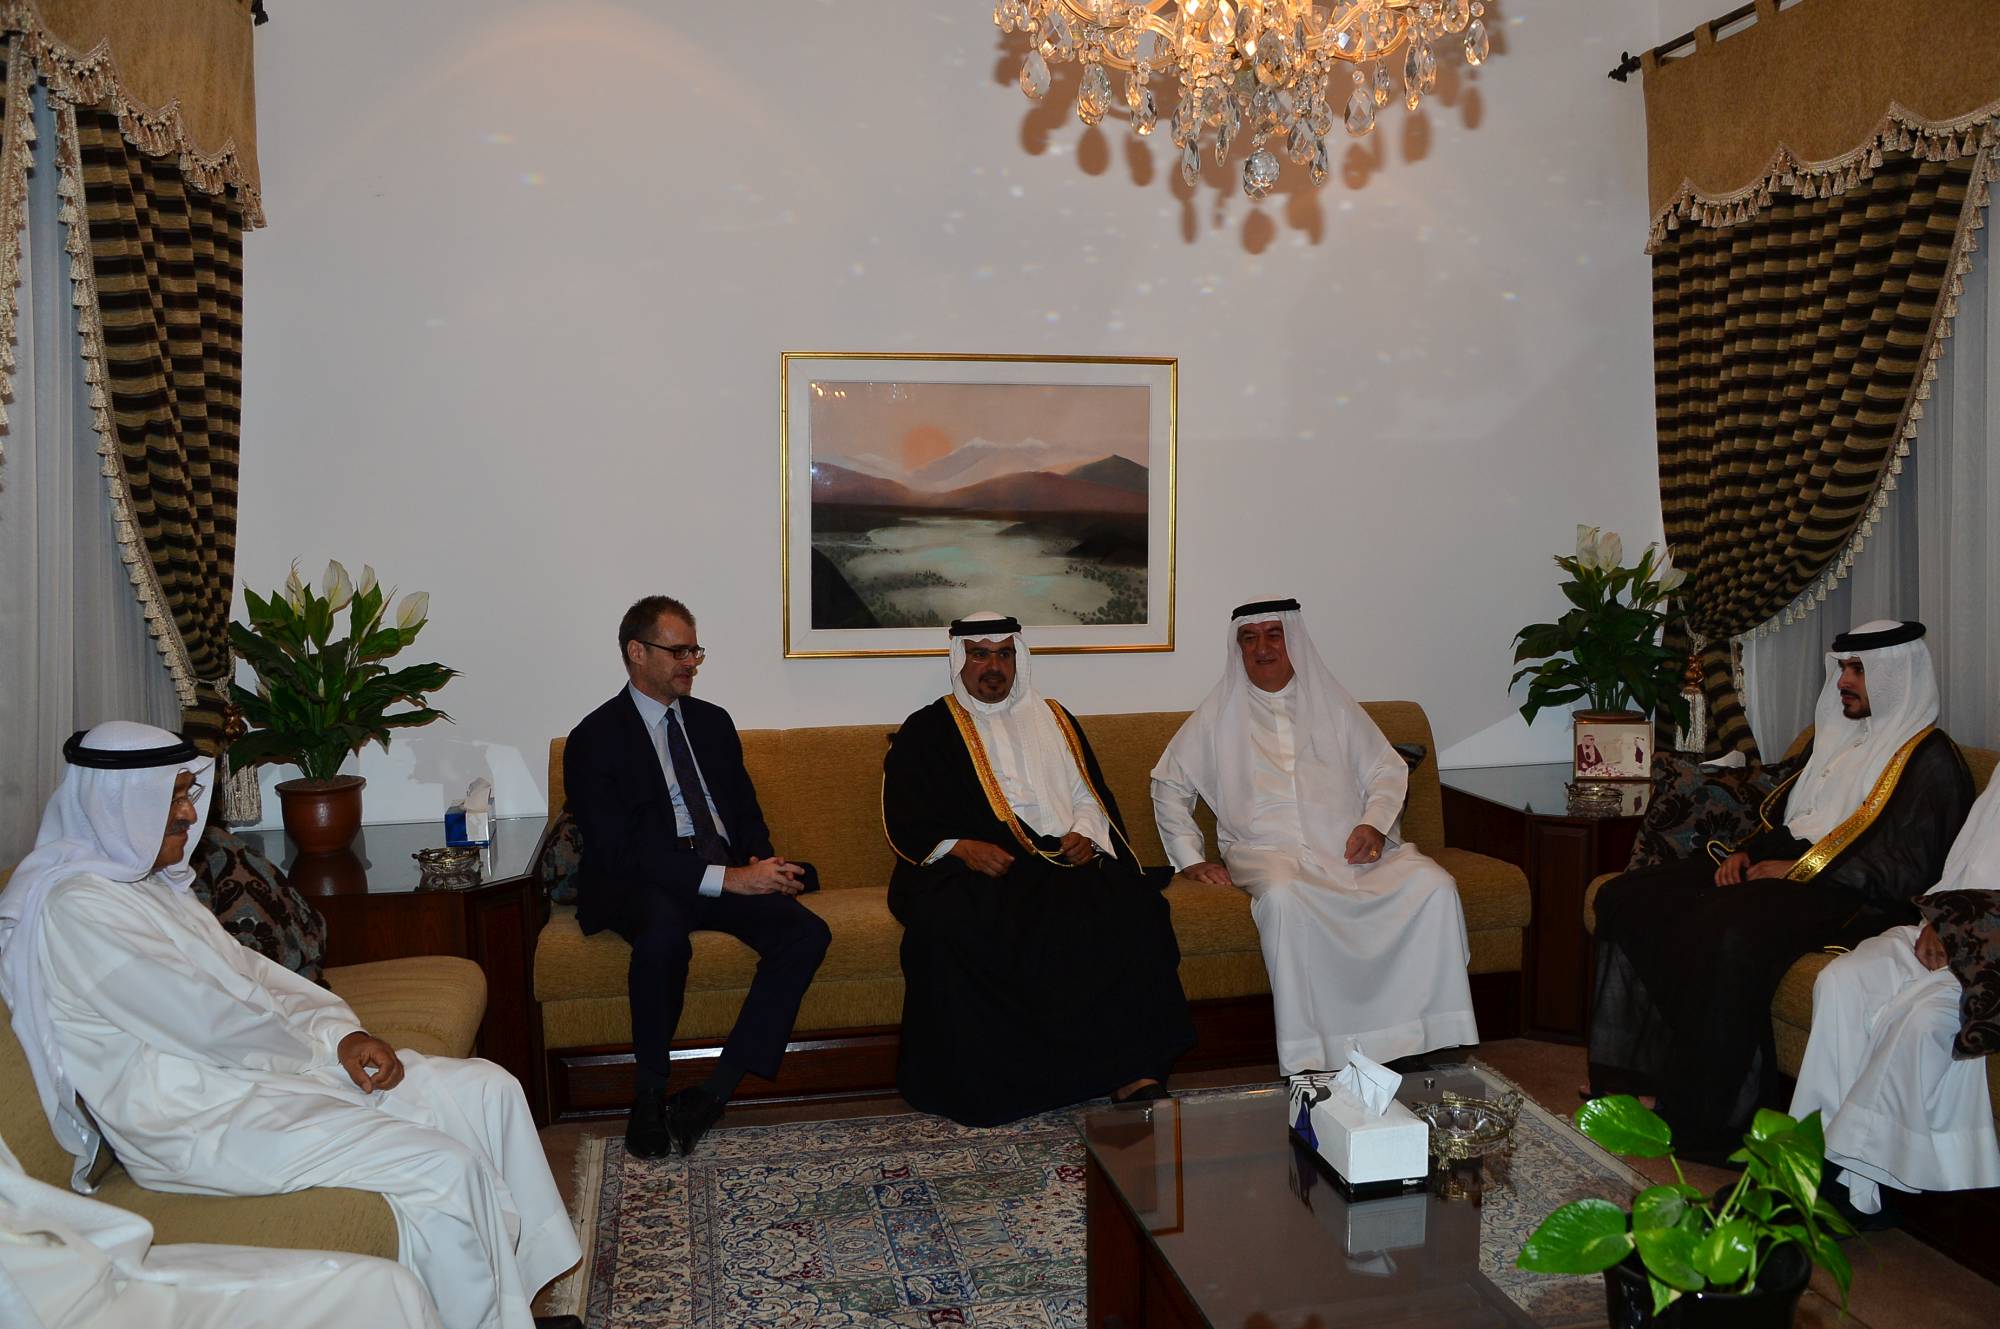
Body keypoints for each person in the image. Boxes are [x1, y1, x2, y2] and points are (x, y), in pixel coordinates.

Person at [0, 722, 580, 1329]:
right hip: (198, 1121)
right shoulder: (79, 910)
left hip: (262, 1076)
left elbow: (258, 976)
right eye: (170, 798)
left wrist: (340, 1034)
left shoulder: (150, 886)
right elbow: (214, 1026)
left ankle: (510, 1305)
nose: (187, 813)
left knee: (488, 1089)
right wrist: (325, 1056)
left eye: (185, 794)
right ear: (116, 804)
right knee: (441, 1169)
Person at [1588, 621, 1975, 1153]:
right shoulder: (1838, 735)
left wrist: (1801, 871)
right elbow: (1798, 821)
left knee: (1725, 929)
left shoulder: (1931, 760)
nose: (1844, 682)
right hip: (1798, 870)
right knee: (1627, 897)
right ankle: (1640, 1077)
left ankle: (1707, 1114)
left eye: (1859, 671)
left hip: (1855, 896)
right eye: (1843, 668)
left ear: (1897, 676)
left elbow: (1906, 868)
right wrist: (1749, 853)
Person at [882, 612, 1194, 1126]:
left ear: (1018, 659)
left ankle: (1131, 1071)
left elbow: (1086, 794)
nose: (993, 666)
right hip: (980, 867)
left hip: (1061, 861)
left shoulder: (1053, 717)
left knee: (1135, 911)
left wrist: (1086, 835)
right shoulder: (929, 728)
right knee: (960, 927)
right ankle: (1004, 1084)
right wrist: (962, 847)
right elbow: (908, 816)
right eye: (980, 654)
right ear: (960, 659)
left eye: (1004, 654)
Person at [1151, 598, 1478, 1074]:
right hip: (1265, 851)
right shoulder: (1217, 713)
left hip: (1349, 846)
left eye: (1274, 635)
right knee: (1284, 899)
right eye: (1249, 639)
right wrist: (1190, 857)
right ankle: (1312, 1052)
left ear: (1294, 641)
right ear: (1238, 649)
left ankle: (1417, 1037)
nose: (1262, 648)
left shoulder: (1333, 703)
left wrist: (1373, 823)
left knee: (1433, 885)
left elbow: (1386, 770)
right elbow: (1168, 785)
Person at [565, 595, 830, 1159]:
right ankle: (648, 1095)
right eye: (678, 651)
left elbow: (744, 811)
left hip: (723, 867)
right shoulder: (594, 737)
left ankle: (712, 1095)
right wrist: (729, 880)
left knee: (806, 932)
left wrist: (761, 866)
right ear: (636, 652)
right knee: (662, 940)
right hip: (643, 880)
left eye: (695, 651)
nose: (691, 662)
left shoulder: (712, 722)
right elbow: (619, 850)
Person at [1790, 777, 2000, 1217]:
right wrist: (1942, 921)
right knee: (1843, 982)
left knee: (1920, 1019)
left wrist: (1964, 931)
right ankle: (1807, 1154)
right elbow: (1962, 871)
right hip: (1947, 931)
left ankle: (1845, 1185)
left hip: (1989, 961)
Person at [0, 1134, 444, 1329]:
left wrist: (333, 1034)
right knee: (440, 1167)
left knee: (385, 1288)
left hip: (87, 1274)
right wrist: (325, 1040)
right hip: (189, 1119)